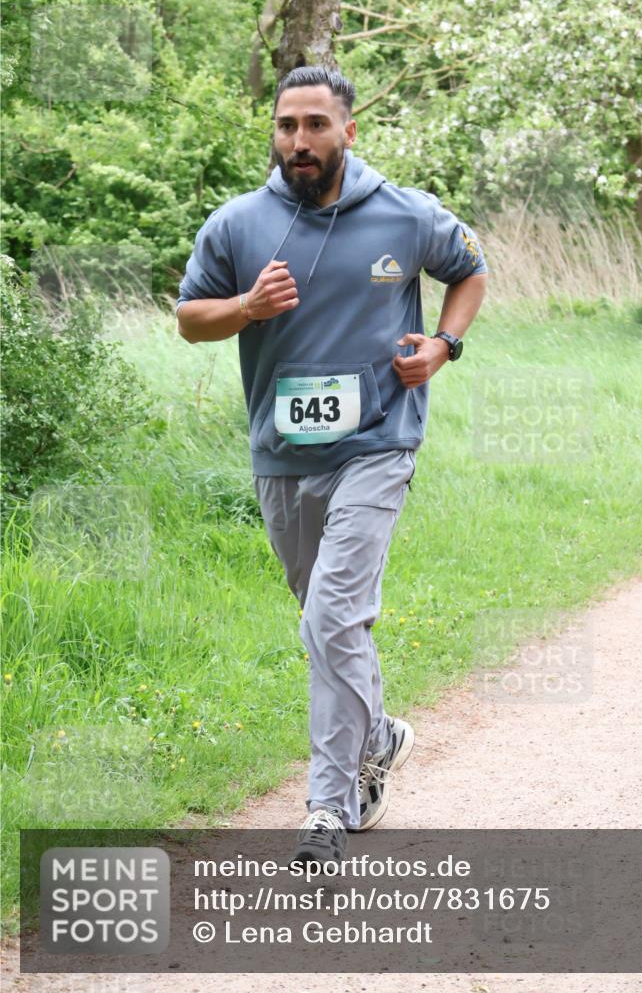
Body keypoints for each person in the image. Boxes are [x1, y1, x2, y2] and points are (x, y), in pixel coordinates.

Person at [176, 66, 488, 869]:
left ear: (348, 130)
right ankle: (375, 735)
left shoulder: (404, 213)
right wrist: (245, 308)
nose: (299, 140)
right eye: (286, 125)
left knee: (331, 616)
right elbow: (189, 318)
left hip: (378, 444)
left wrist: (442, 345)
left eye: (315, 124)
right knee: (326, 619)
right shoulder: (237, 223)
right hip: (281, 457)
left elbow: (469, 269)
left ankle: (327, 805)